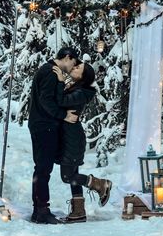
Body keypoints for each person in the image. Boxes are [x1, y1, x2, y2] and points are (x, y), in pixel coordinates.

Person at [52, 62, 112, 223]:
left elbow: (60, 101)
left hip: (72, 139)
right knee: (72, 174)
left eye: (78, 68)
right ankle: (79, 211)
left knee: (67, 176)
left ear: (83, 77)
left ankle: (100, 184)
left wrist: (59, 81)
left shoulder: (82, 92)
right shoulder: (75, 88)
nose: (74, 67)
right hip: (68, 137)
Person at [28, 47, 81, 224]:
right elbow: (47, 100)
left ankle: (40, 209)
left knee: (42, 168)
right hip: (45, 126)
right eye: (73, 62)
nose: (73, 66)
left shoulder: (49, 71)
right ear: (67, 57)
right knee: (43, 168)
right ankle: (41, 210)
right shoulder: (51, 72)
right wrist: (64, 115)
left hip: (42, 125)